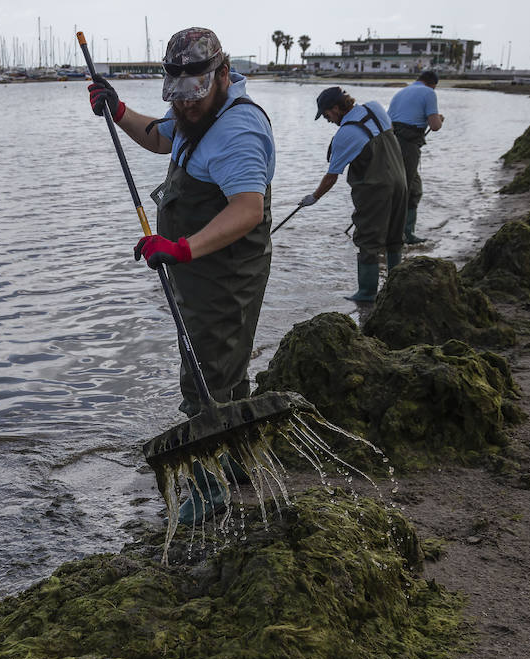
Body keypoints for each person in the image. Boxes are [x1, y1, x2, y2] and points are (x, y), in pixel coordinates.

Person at [88, 27, 275, 523]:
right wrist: (119, 108)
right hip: (197, 269)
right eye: (178, 98)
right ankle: (235, 458)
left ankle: (210, 488)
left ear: (222, 74)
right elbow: (161, 137)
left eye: (193, 98)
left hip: (225, 272)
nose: (185, 108)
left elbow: (248, 209)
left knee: (206, 373)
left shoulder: (238, 129)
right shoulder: (196, 112)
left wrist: (181, 247)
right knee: (222, 366)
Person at [299, 86, 407, 303]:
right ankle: (398, 286)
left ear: (337, 108)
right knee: (395, 236)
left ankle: (367, 293)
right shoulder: (376, 108)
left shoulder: (346, 134)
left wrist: (314, 197)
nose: (327, 120)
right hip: (400, 180)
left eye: (327, 114)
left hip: (375, 189)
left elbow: (331, 176)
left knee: (367, 240)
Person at [388, 70, 446, 244]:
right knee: (404, 189)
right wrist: (440, 119)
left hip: (391, 141)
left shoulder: (402, 91)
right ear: (432, 84)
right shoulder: (429, 93)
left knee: (410, 188)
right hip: (408, 144)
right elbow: (435, 126)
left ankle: (402, 233)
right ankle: (401, 235)